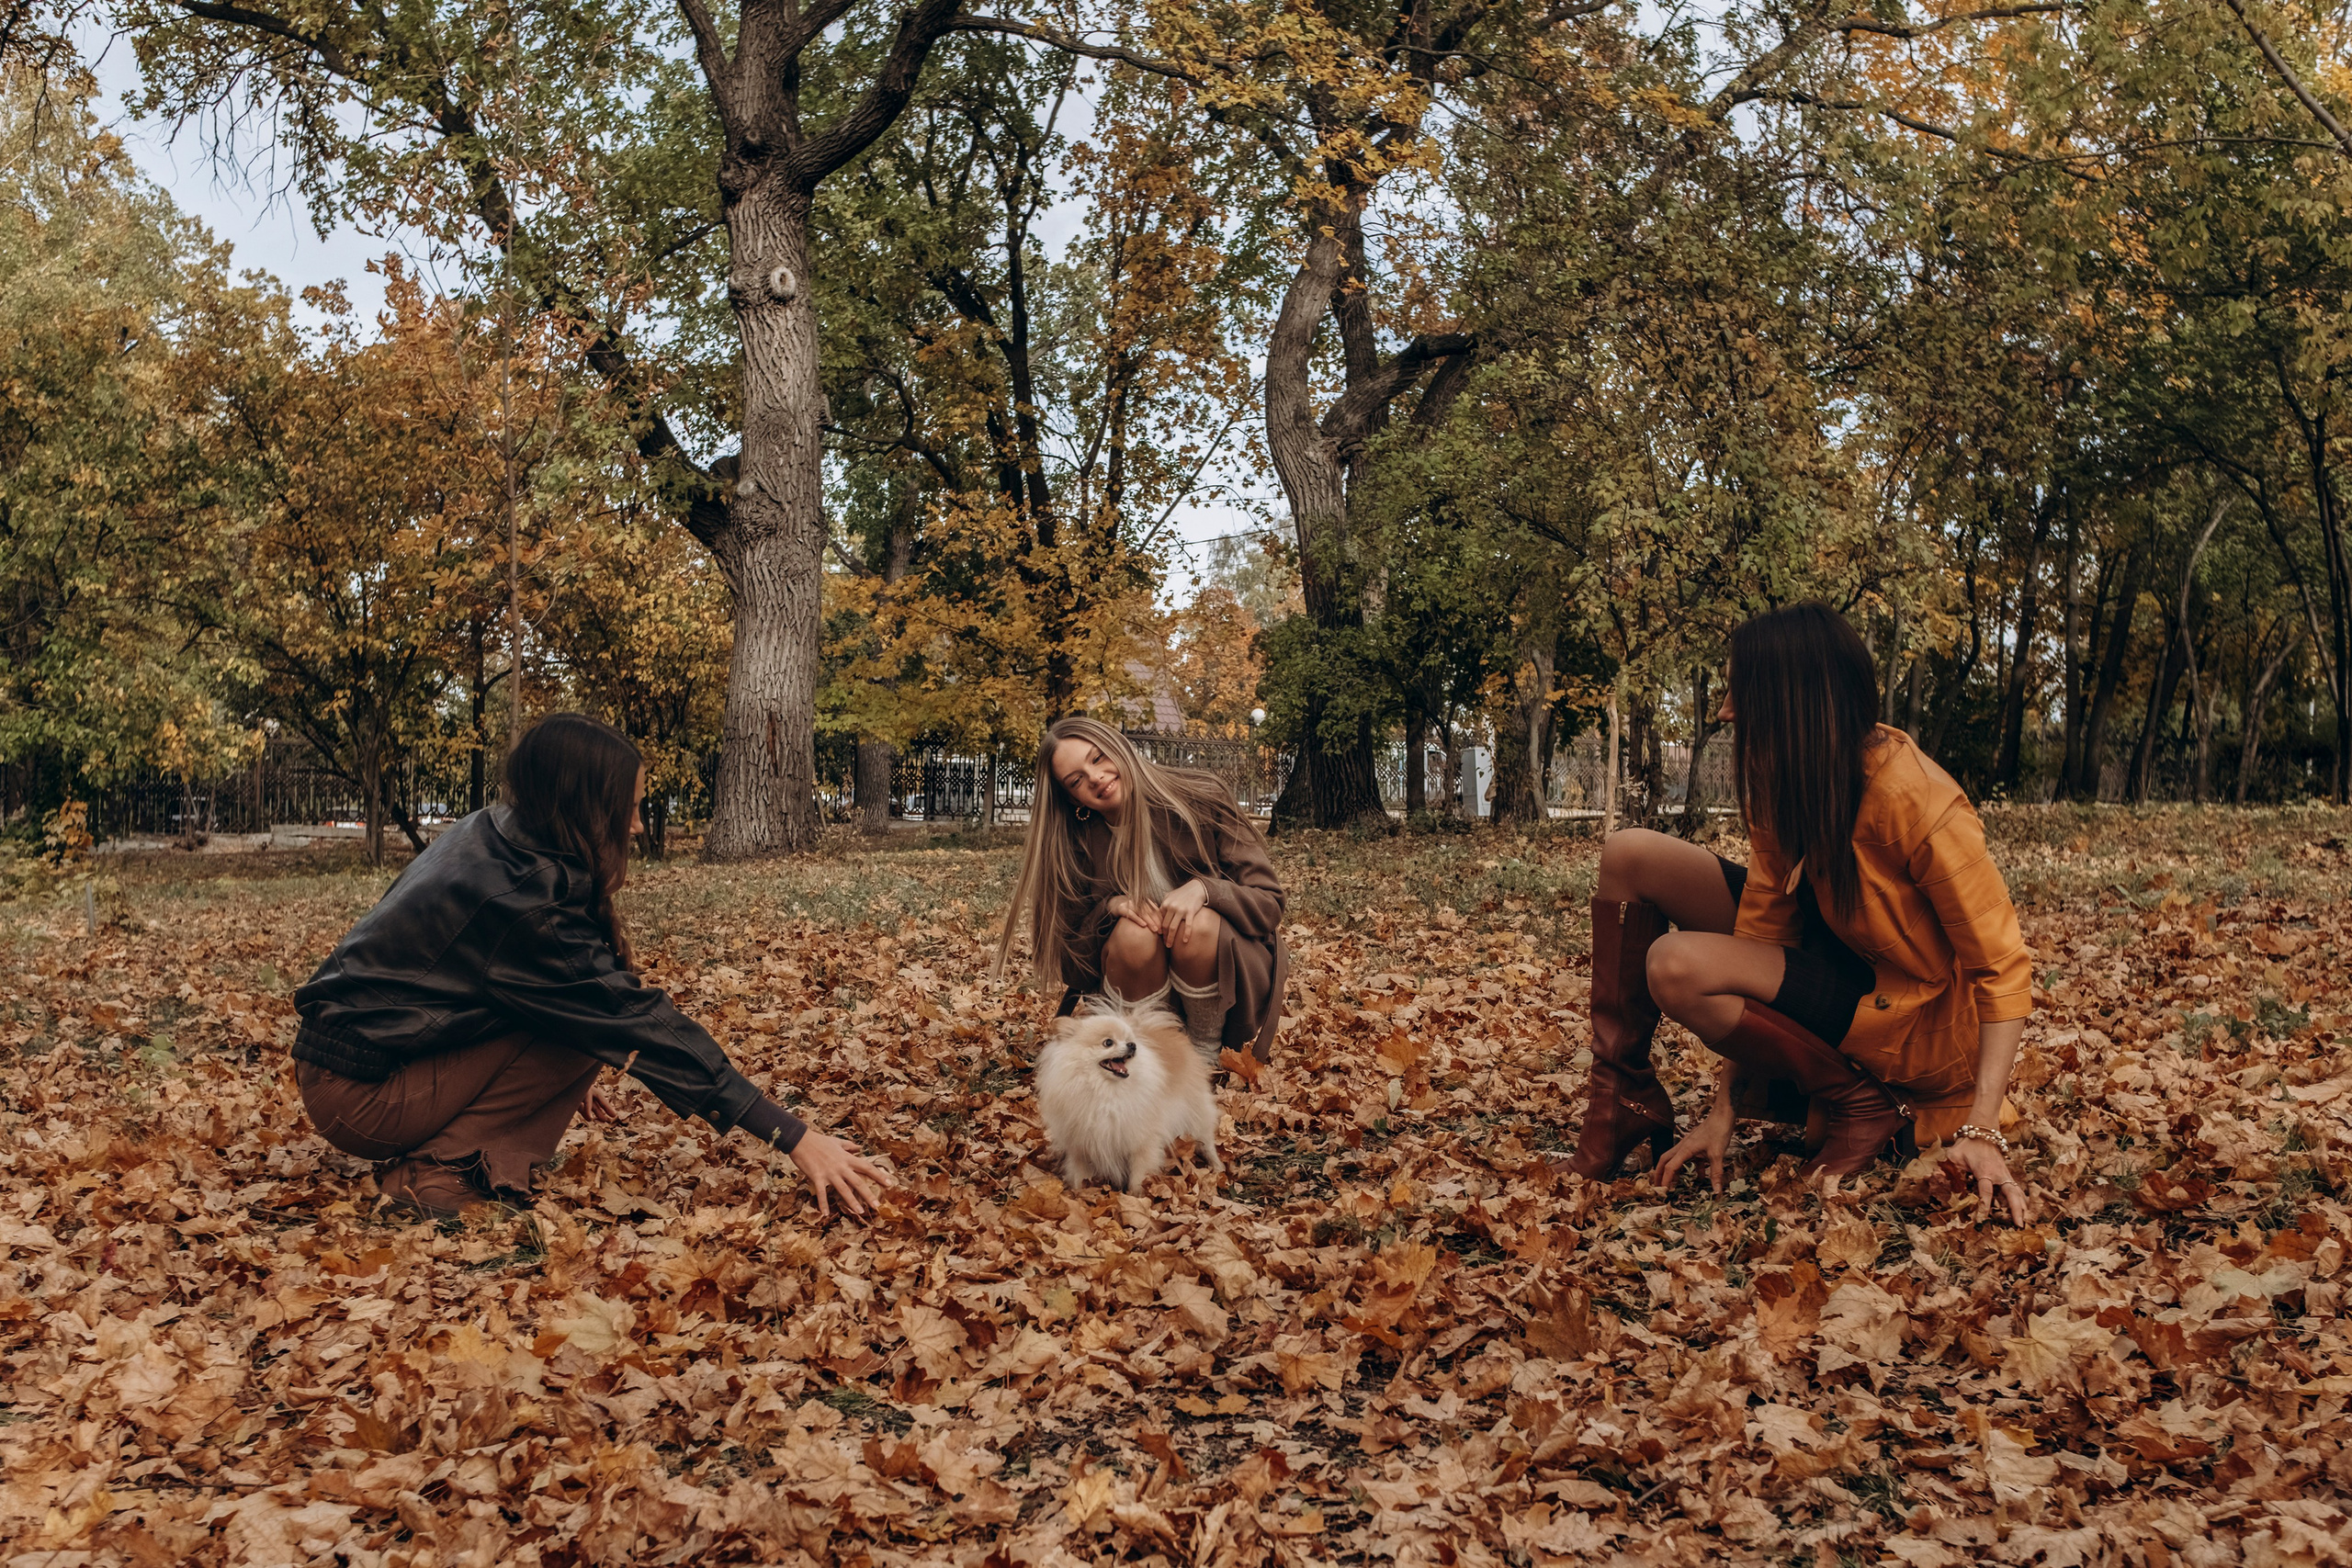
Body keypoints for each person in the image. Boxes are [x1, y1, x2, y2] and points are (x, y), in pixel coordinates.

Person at [291, 713, 890, 1221]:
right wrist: (795, 1136)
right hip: (358, 1093)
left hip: (355, 1065)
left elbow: (454, 981)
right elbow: (638, 1022)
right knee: (591, 1030)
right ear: (580, 805)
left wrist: (524, 1075)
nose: (635, 824)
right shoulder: (527, 903)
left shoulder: (495, 831)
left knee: (582, 1026)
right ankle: (430, 1179)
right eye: (625, 809)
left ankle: (461, 1157)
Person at [1563, 604, 2034, 1223]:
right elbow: (1763, 931)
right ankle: (1621, 1096)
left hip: (1902, 1014)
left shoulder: (1917, 800)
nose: (1728, 710)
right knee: (1629, 853)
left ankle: (1861, 1100)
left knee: (1674, 965)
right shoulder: (1789, 779)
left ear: (1797, 701)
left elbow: (2004, 969)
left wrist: (1983, 1129)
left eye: (1744, 691)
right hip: (1821, 963)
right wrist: (1725, 1109)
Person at [996, 716, 1287, 1065]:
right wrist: (1111, 908)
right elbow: (1071, 968)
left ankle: (1202, 1055)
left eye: (1098, 758)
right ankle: (1147, 1058)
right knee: (1135, 931)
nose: (1096, 778)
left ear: (1119, 748)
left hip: (1224, 981)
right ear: (1071, 797)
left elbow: (1268, 901)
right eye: (1077, 780)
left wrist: (1204, 890)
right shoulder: (1071, 843)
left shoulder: (1201, 795)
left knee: (1197, 924)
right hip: (1135, 987)